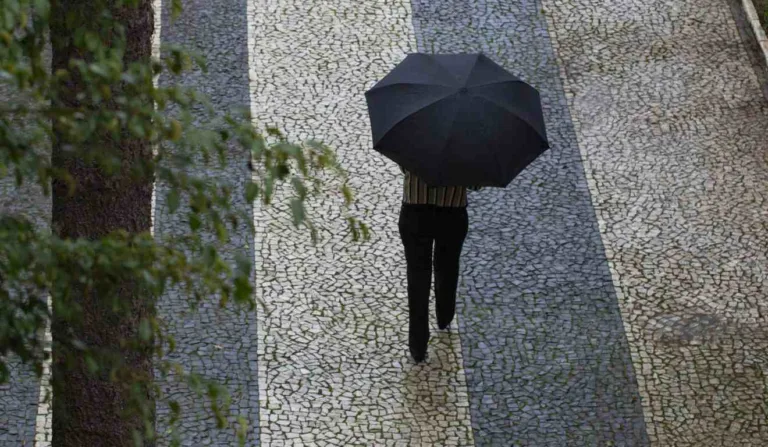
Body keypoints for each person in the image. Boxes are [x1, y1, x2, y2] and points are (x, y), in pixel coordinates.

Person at [398, 167, 479, 363]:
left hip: (415, 210)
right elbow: (475, 184)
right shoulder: (467, 148)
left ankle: (418, 345)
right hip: (452, 212)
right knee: (448, 267)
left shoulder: (414, 144)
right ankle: (444, 315)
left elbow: (404, 165)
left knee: (417, 277)